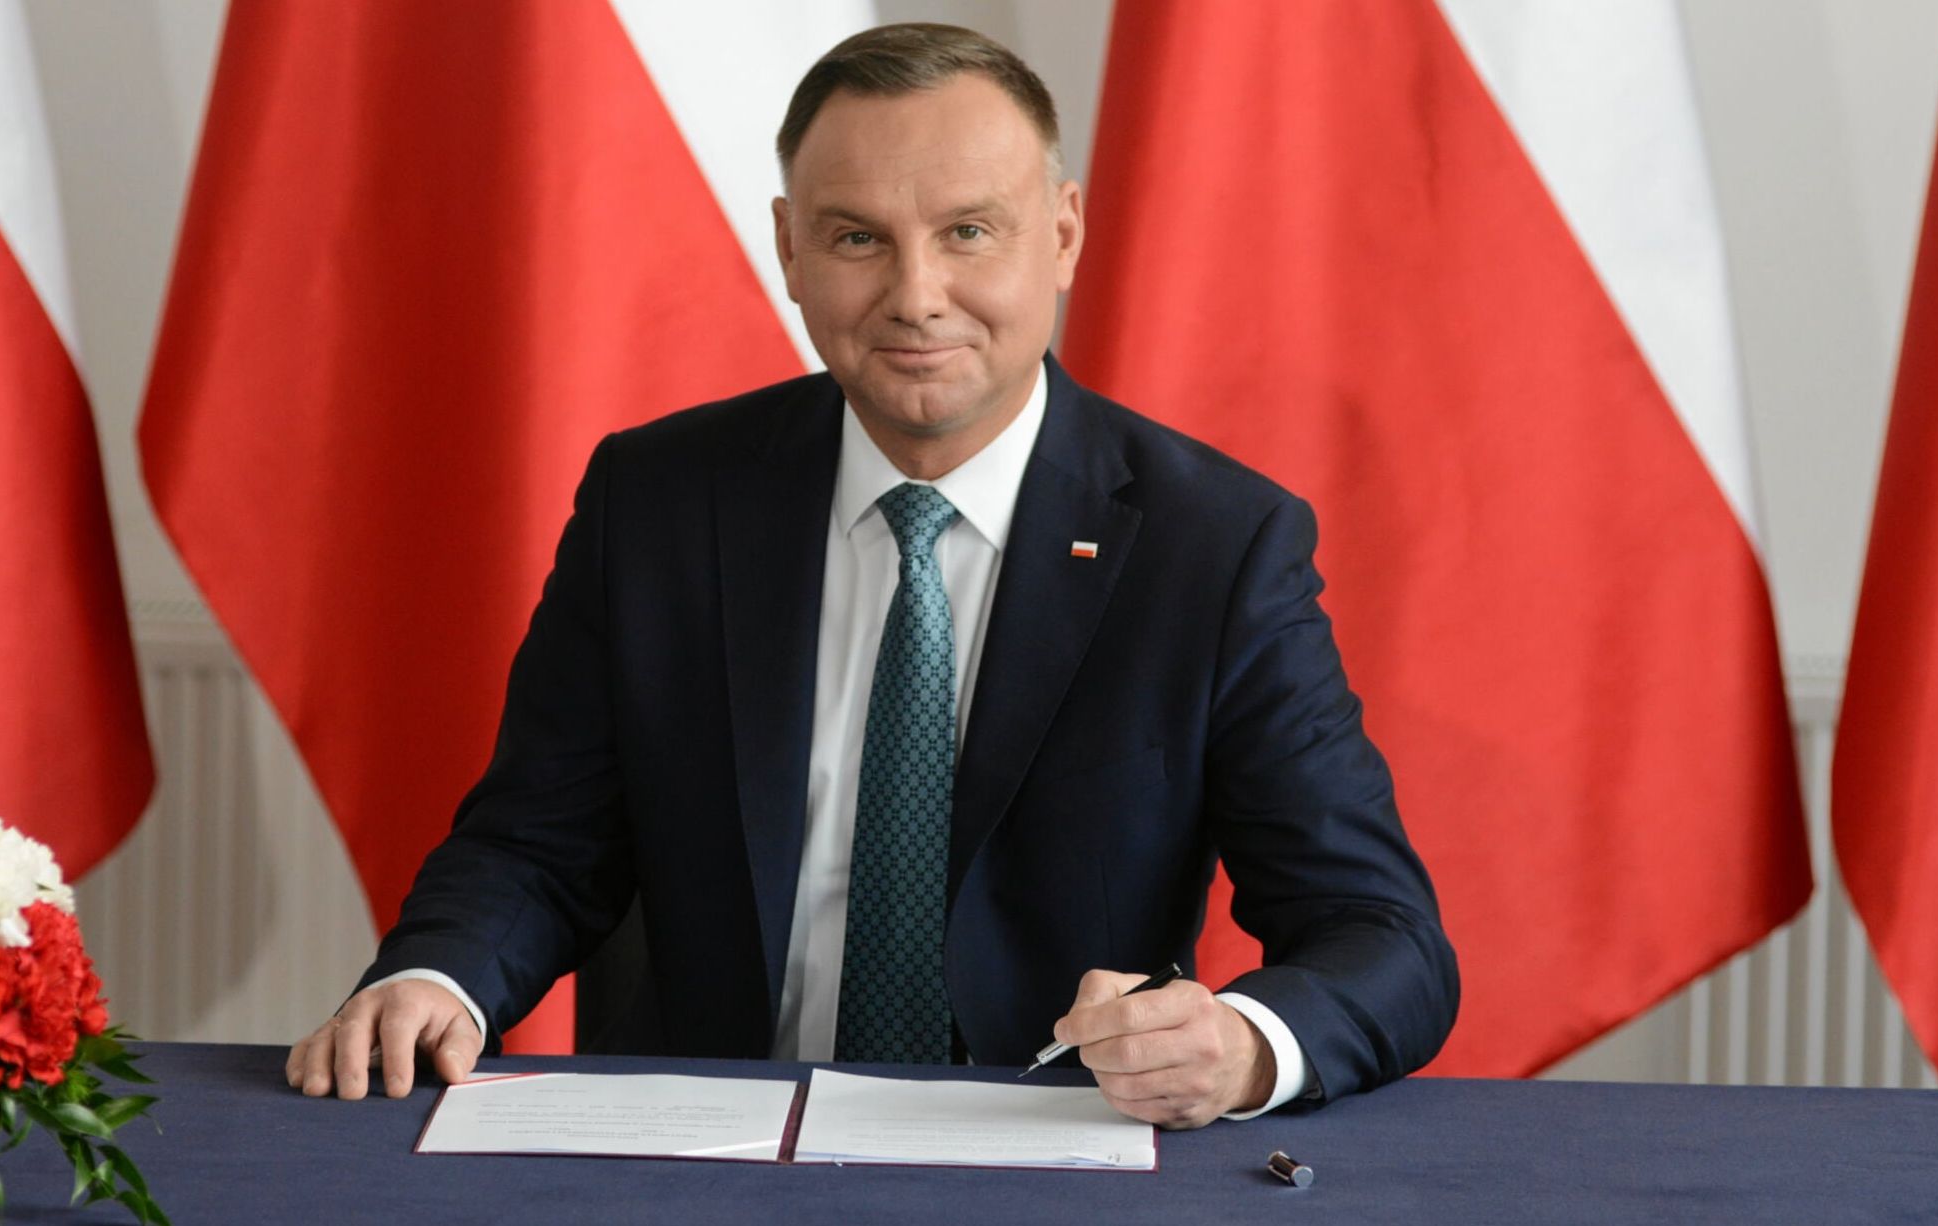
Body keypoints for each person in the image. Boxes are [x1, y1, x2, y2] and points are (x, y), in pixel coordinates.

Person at [286, 22, 1457, 1130]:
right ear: (790, 247)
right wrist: (437, 975)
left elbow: (1380, 932)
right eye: (857, 238)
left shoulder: (1214, 544)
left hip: (1052, 1150)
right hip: (706, 1147)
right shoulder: (657, 501)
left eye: (968, 232)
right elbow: (535, 842)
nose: (915, 295)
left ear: (1061, 234)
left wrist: (1243, 1043)